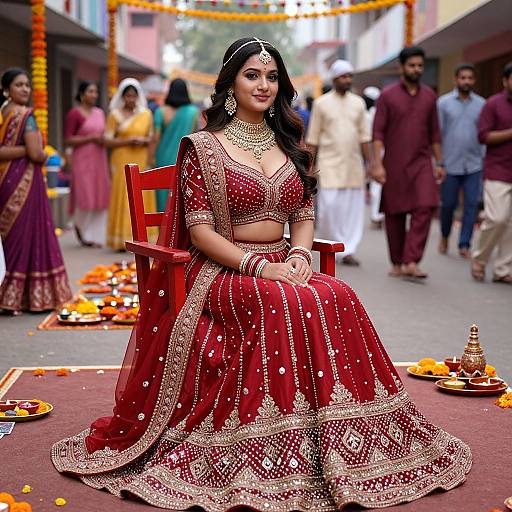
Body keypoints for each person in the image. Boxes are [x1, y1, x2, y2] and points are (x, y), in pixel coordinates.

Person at [52, 38, 471, 509]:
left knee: (339, 294)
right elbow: (200, 230)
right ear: (231, 82)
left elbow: (305, 213)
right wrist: (259, 265)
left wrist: (297, 256)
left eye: (272, 77)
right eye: (253, 75)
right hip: (220, 270)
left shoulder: (291, 143)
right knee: (285, 301)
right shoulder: (204, 147)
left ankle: (341, 439)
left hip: (282, 265)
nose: (264, 85)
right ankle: (273, 446)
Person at [0, 68, 72, 312]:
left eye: (27, 85)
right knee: (25, 236)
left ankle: (8, 295)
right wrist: (44, 154)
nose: (25, 89)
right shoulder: (25, 116)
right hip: (25, 180)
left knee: (9, 238)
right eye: (19, 85)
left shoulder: (3, 113)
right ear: (6, 89)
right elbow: (35, 153)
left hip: (5, 180)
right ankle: (24, 298)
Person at [372, 46, 445, 279]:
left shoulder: (430, 96)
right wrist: (377, 164)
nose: (417, 69)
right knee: (395, 213)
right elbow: (378, 133)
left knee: (425, 206)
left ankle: (411, 260)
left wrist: (440, 162)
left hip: (422, 162)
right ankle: (397, 262)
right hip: (394, 162)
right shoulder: (388, 96)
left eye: (420, 66)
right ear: (401, 67)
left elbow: (435, 133)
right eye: (412, 65)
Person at [306, 60, 371, 266]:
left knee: (352, 210)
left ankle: (349, 249)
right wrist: (308, 167)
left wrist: (372, 164)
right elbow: (313, 138)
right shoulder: (321, 103)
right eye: (343, 76)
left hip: (353, 165)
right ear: (334, 79)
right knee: (329, 208)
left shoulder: (358, 103)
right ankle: (333, 245)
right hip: (329, 165)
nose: (347, 80)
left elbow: (364, 137)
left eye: (349, 76)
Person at [437, 64, 485, 258]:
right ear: (456, 80)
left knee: (471, 204)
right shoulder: (443, 103)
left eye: (470, 78)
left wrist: (484, 157)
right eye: (463, 78)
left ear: (474, 80)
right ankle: (445, 235)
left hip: (474, 163)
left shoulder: (482, 104)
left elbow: (484, 133)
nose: (466, 81)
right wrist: (438, 161)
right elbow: (437, 134)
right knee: (448, 204)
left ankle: (464, 243)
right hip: (450, 163)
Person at [471, 62, 512, 283]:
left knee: (511, 224)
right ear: (506, 81)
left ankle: (503, 269)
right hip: (498, 170)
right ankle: (479, 259)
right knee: (497, 218)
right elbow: (483, 136)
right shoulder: (493, 105)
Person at [105, 78, 156, 251]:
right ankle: (121, 239)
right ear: (122, 96)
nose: (130, 100)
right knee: (124, 194)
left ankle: (143, 240)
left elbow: (151, 138)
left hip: (140, 157)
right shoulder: (114, 115)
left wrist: (144, 145)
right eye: (127, 96)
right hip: (121, 158)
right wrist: (127, 140)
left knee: (139, 195)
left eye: (133, 96)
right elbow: (107, 141)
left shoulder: (146, 114)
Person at [64, 81, 111, 248]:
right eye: (90, 91)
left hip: (99, 159)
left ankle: (95, 235)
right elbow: (68, 139)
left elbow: (105, 134)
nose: (94, 95)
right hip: (82, 159)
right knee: (84, 194)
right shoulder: (74, 113)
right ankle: (81, 228)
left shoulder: (99, 113)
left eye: (96, 91)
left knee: (99, 193)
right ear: (82, 94)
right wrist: (91, 138)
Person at [151, 78, 200, 212]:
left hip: (162, 160)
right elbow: (196, 136)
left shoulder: (160, 112)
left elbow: (155, 138)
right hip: (184, 160)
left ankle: (163, 231)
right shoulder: (193, 112)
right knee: (181, 199)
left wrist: (150, 160)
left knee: (163, 200)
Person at [363, 85, 384, 230]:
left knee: (377, 187)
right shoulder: (370, 113)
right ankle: (378, 216)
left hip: (377, 154)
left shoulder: (371, 114)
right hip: (375, 153)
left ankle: (377, 216)